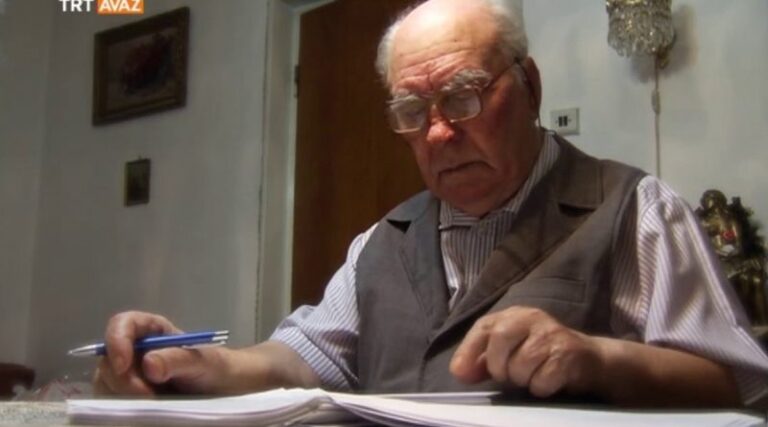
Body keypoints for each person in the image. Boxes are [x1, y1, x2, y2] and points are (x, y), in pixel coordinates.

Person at [94, 0, 768, 407]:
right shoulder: (382, 241)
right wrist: (193, 363)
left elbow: (732, 383)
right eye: (412, 111)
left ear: (529, 86)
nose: (439, 133)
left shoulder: (636, 208)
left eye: (464, 97)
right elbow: (301, 358)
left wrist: (597, 359)